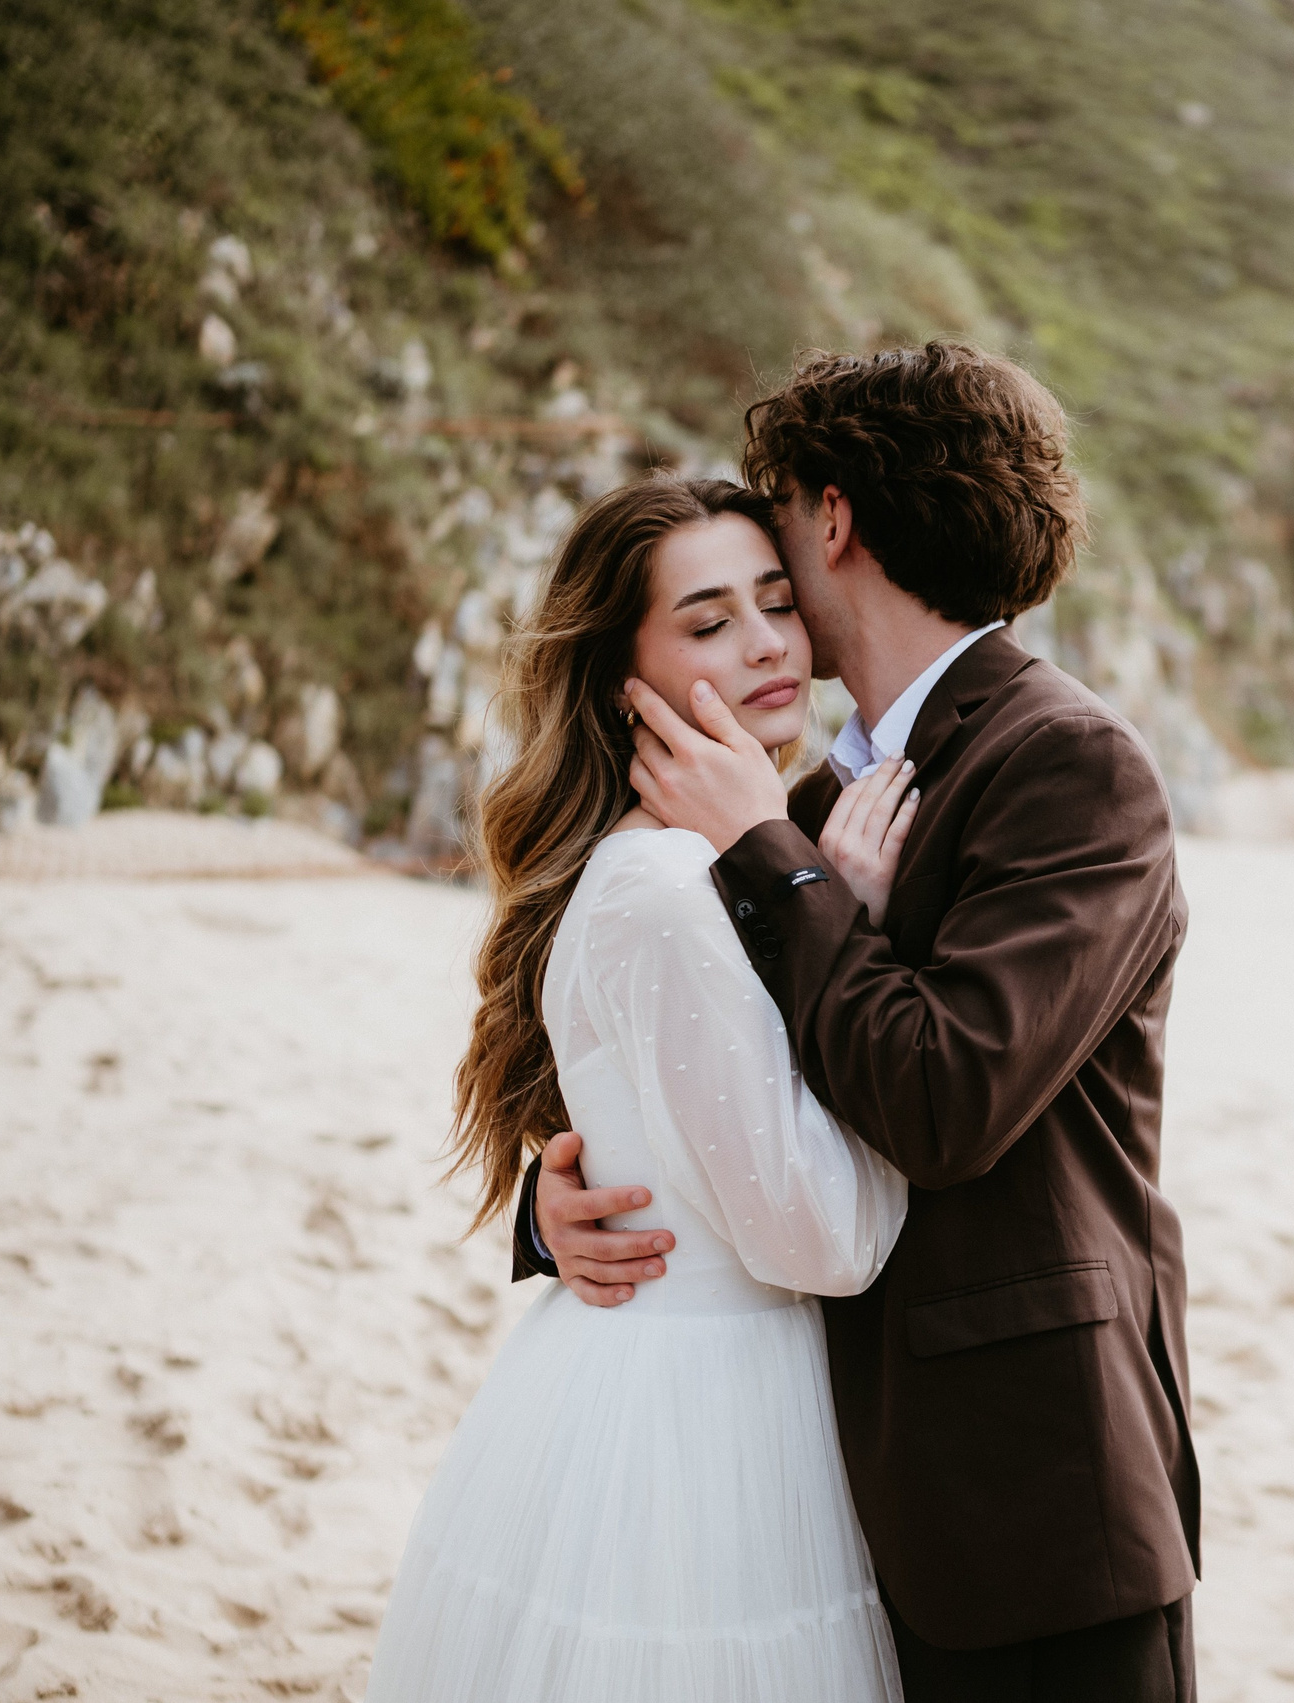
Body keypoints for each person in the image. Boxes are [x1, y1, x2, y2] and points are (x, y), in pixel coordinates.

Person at [515, 342, 1201, 1701]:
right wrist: (557, 1203)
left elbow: (947, 1096)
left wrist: (782, 859)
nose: (763, 618)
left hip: (1029, 1496)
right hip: (834, 1497)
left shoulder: (1062, 762)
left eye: (776, 540)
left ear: (829, 514)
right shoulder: (811, 805)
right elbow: (700, 1067)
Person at [367, 475, 929, 1701]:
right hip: (703, 1418)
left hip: (648, 1371)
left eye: (777, 602)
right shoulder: (673, 890)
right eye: (708, 620)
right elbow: (824, 1236)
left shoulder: (709, 857)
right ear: (624, 673)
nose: (769, 642)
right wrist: (852, 930)